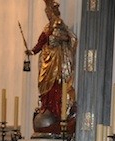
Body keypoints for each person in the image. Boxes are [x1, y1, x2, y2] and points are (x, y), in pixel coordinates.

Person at [26, 0, 77, 134]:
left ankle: (56, 110)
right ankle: (46, 106)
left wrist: (57, 38)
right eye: (46, 13)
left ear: (53, 12)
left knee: (56, 85)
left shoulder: (59, 24)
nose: (48, 15)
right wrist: (31, 51)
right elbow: (41, 42)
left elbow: (69, 38)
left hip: (57, 59)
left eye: (49, 12)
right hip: (47, 60)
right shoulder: (47, 27)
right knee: (44, 86)